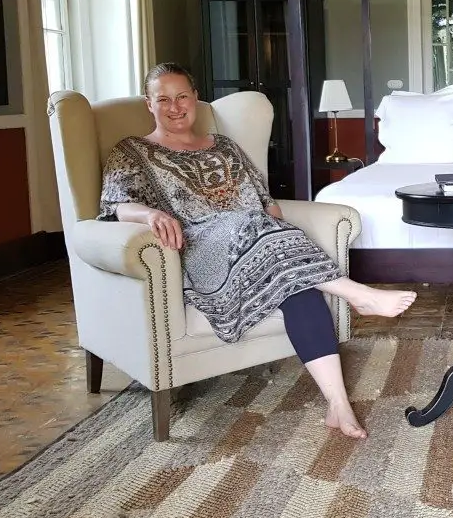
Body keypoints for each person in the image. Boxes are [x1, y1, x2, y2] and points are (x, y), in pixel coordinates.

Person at [97, 62, 417, 439]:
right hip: (201, 249)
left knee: (301, 289)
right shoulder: (132, 151)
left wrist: (279, 237)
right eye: (162, 99)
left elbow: (266, 203)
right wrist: (149, 213)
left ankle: (338, 406)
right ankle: (356, 292)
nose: (174, 106)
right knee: (252, 226)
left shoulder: (225, 147)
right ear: (148, 104)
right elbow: (118, 204)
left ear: (195, 98)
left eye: (182, 96)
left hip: (258, 243)